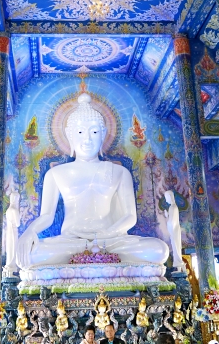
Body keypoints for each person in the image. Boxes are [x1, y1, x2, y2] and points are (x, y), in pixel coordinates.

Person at [17, 93, 169, 268]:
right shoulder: (55, 174)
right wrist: (29, 232)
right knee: (30, 255)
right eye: (80, 132)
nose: (87, 139)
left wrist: (107, 235)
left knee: (159, 250)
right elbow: (46, 216)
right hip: (71, 242)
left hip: (110, 241)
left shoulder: (120, 172)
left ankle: (92, 254)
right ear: (70, 135)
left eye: (94, 132)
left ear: (103, 135)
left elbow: (130, 217)